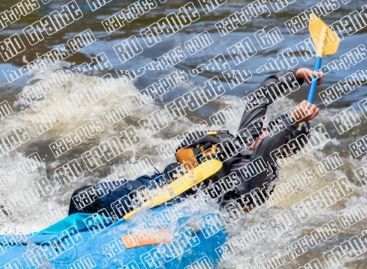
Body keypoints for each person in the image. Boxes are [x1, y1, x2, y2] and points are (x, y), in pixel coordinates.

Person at [68, 68, 324, 219]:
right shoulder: (250, 137)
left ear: (287, 150)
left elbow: (269, 146)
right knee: (83, 197)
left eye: (279, 134)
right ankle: (68, 241)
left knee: (85, 199)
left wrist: (291, 121)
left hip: (180, 215)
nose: (264, 132)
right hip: (159, 187)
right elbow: (259, 97)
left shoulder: (263, 173)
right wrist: (297, 76)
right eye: (270, 126)